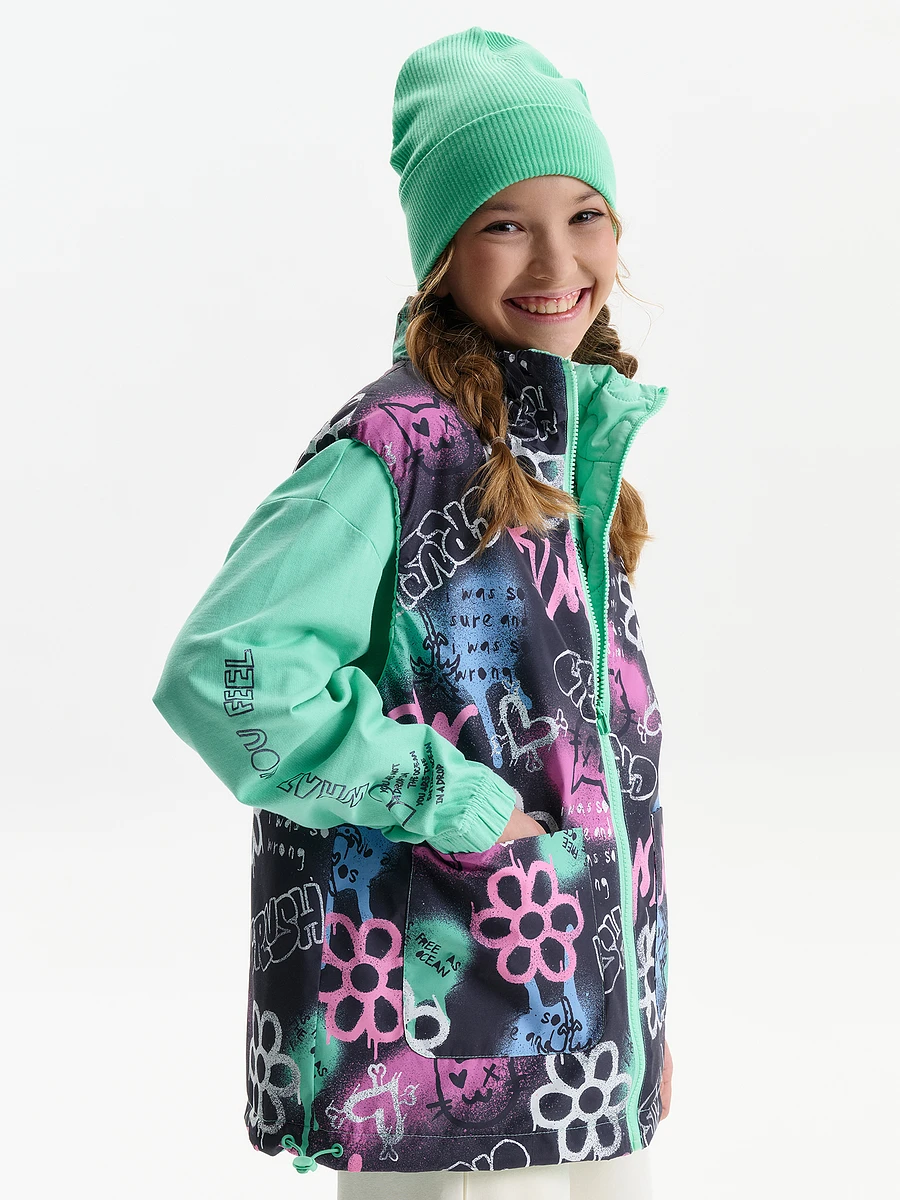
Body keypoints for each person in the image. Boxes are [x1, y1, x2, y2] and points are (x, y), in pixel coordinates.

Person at [152, 25, 672, 1198]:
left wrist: (642, 1017)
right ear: (442, 253)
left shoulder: (570, 455)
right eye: (504, 223)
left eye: (585, 214)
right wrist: (466, 810)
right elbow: (230, 674)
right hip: (445, 1053)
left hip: (586, 1047)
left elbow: (601, 775)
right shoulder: (395, 455)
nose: (557, 257)